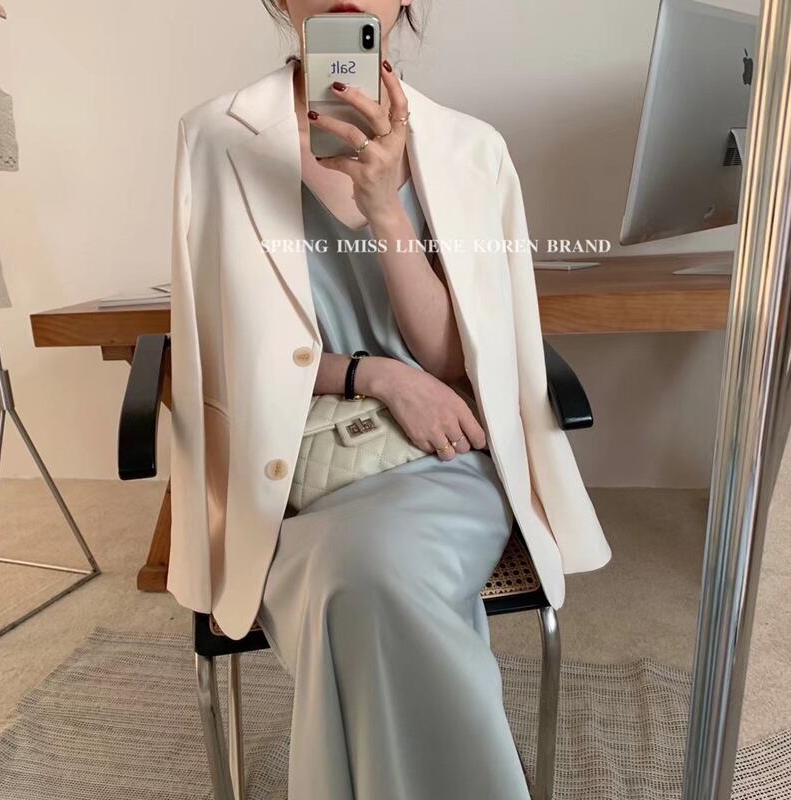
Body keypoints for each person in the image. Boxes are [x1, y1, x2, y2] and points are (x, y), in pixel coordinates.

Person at [168, 0, 612, 796]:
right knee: (354, 581)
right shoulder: (214, 138)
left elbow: (453, 358)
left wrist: (384, 208)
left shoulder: (473, 150)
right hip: (286, 467)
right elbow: (219, 357)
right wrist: (373, 373)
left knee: (365, 576)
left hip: (438, 456)